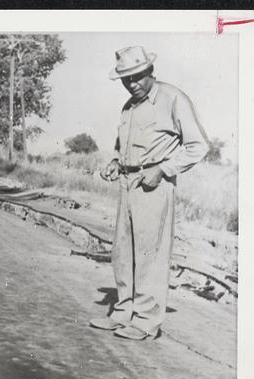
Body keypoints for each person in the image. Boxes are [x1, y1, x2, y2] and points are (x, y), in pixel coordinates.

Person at [90, 46, 209, 340]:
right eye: (127, 79)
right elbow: (122, 146)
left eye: (138, 77)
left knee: (150, 253)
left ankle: (146, 322)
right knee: (123, 251)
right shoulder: (128, 107)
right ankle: (123, 313)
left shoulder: (173, 98)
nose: (134, 84)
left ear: (150, 72)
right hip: (127, 183)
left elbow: (198, 146)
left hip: (155, 182)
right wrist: (116, 162)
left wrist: (165, 169)